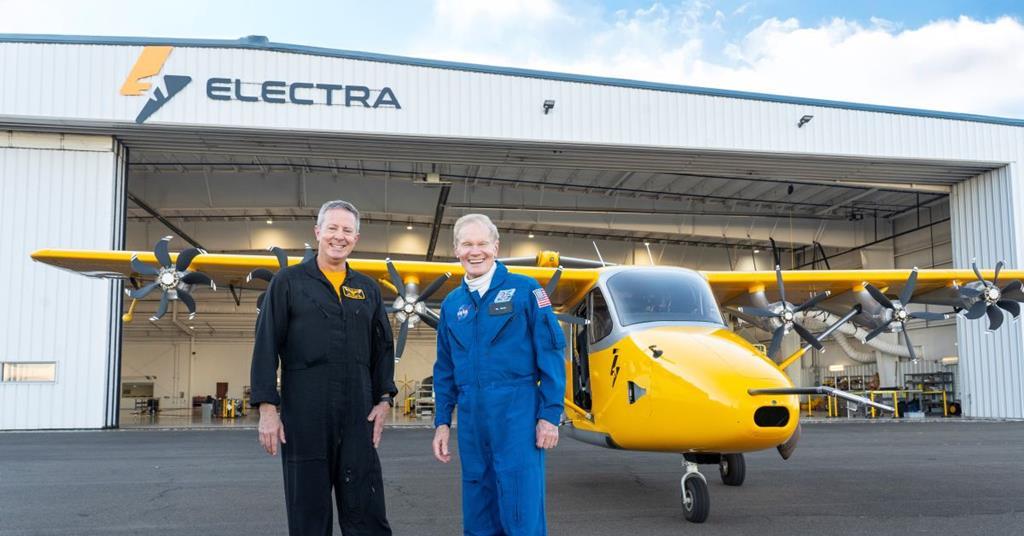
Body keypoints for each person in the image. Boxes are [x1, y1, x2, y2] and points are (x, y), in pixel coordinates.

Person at [251, 199, 396, 536]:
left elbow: (383, 348)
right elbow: (266, 344)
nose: (339, 236)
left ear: (356, 239)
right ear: (317, 232)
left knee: (367, 511)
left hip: (358, 415)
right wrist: (267, 409)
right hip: (305, 416)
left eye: (347, 230)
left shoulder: (367, 289)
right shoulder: (288, 282)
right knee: (308, 515)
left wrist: (385, 399)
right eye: (332, 228)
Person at [432, 213, 567, 535]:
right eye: (467, 244)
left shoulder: (526, 290)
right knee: (478, 502)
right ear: (456, 250)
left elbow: (550, 352)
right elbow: (445, 368)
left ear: (496, 247)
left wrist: (550, 414)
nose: (474, 251)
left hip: (517, 408)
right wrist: (441, 422)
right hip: (471, 414)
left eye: (482, 244)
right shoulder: (452, 304)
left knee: (520, 502)